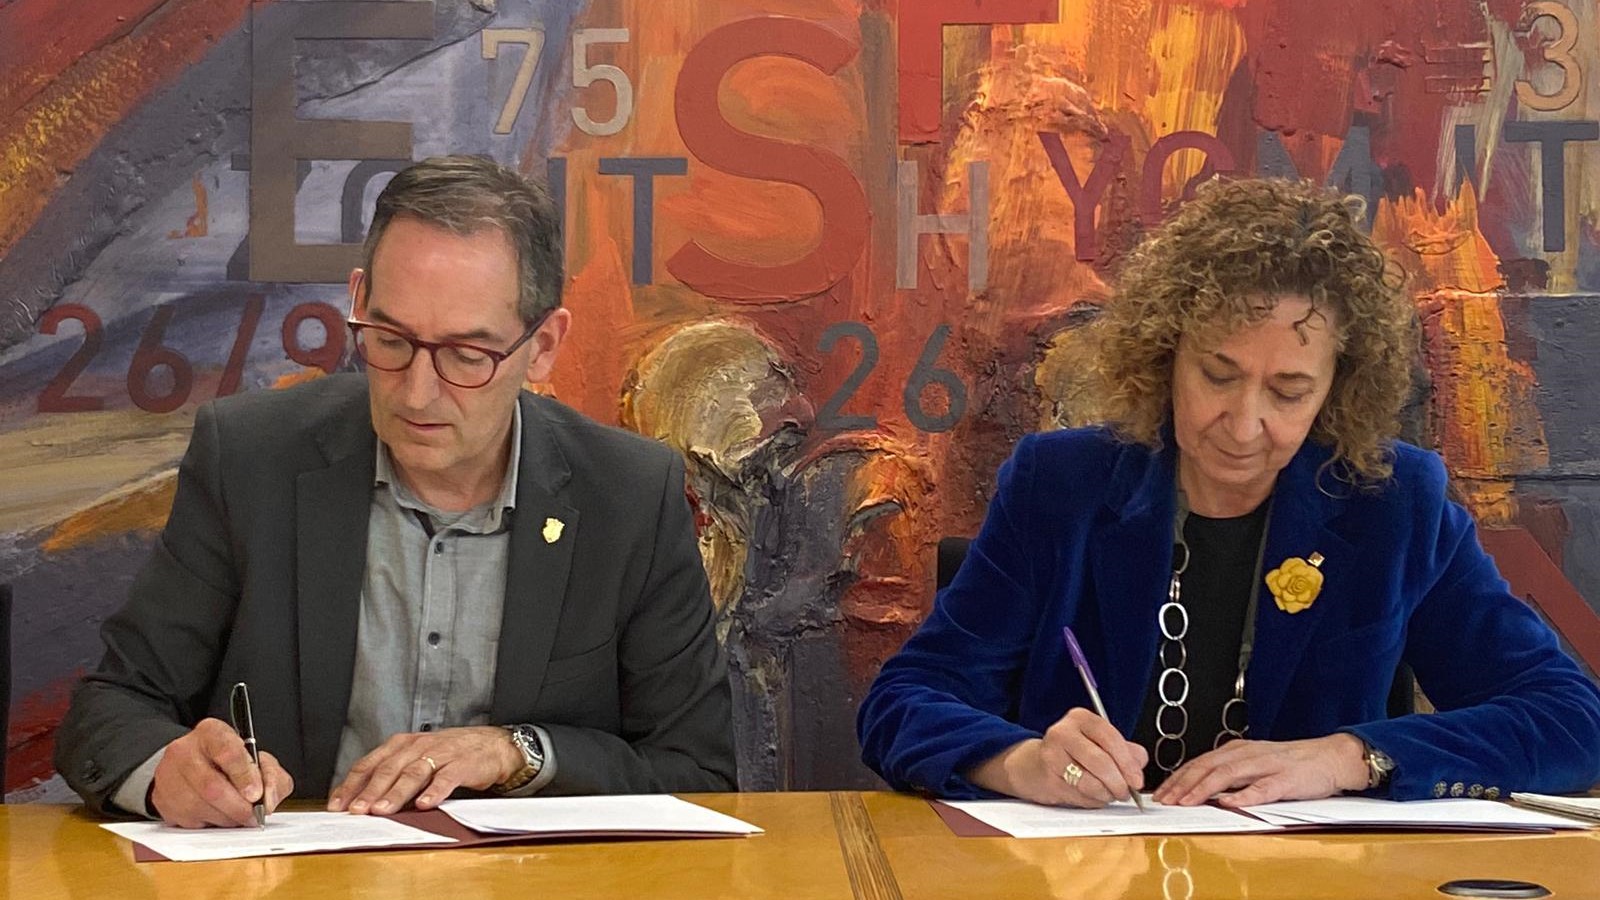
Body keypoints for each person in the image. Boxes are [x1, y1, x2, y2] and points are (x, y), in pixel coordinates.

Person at [857, 178, 1600, 809]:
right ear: (1166, 354)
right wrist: (1017, 762)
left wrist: (1348, 756)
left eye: (1289, 391)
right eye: (1218, 375)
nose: (1244, 425)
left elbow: (1572, 721)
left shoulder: (1395, 505)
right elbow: (904, 701)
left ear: (1337, 389)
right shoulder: (1060, 487)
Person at [55, 156, 736, 827]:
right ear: (358, 300)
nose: (417, 392)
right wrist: (168, 772)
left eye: (467, 355)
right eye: (390, 340)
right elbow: (112, 707)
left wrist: (518, 753)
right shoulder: (250, 459)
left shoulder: (627, 495)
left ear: (544, 344)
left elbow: (698, 772)